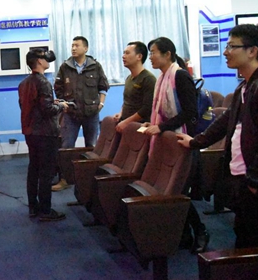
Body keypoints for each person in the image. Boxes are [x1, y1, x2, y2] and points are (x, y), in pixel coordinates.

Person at [177, 24, 258, 249]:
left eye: (232, 46)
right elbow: (225, 122)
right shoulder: (245, 87)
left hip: (255, 182)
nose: (226, 52)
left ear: (252, 51)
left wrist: (254, 182)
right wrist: (196, 142)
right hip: (241, 176)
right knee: (244, 236)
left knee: (253, 243)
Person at [142, 36, 209, 253]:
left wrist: (161, 127)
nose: (150, 57)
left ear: (168, 54)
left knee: (177, 190)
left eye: (153, 52)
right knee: (171, 190)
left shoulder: (179, 75)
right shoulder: (162, 77)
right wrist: (155, 124)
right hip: (169, 139)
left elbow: (190, 113)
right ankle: (184, 234)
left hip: (182, 140)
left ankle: (200, 230)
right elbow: (162, 111)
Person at [53, 36, 109, 191]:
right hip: (71, 114)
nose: (73, 48)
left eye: (77, 45)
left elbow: (103, 86)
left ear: (85, 48)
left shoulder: (95, 66)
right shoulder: (65, 66)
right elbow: (58, 88)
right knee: (66, 148)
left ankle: (91, 180)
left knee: (92, 147)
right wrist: (63, 103)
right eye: (72, 45)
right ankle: (65, 179)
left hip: (91, 114)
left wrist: (101, 103)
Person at [19, 48, 67, 221]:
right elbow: (47, 110)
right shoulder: (44, 82)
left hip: (30, 132)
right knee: (46, 173)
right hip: (46, 134)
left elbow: (29, 106)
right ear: (39, 61)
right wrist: (61, 106)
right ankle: (46, 211)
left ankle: (33, 207)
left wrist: (51, 103)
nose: (48, 60)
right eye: (45, 58)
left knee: (33, 169)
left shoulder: (24, 83)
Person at [113, 41, 156, 131]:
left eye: (127, 53)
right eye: (124, 53)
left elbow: (147, 108)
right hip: (126, 125)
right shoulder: (129, 78)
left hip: (139, 127)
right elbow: (127, 100)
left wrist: (127, 122)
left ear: (139, 56)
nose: (123, 56)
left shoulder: (148, 79)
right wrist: (121, 113)